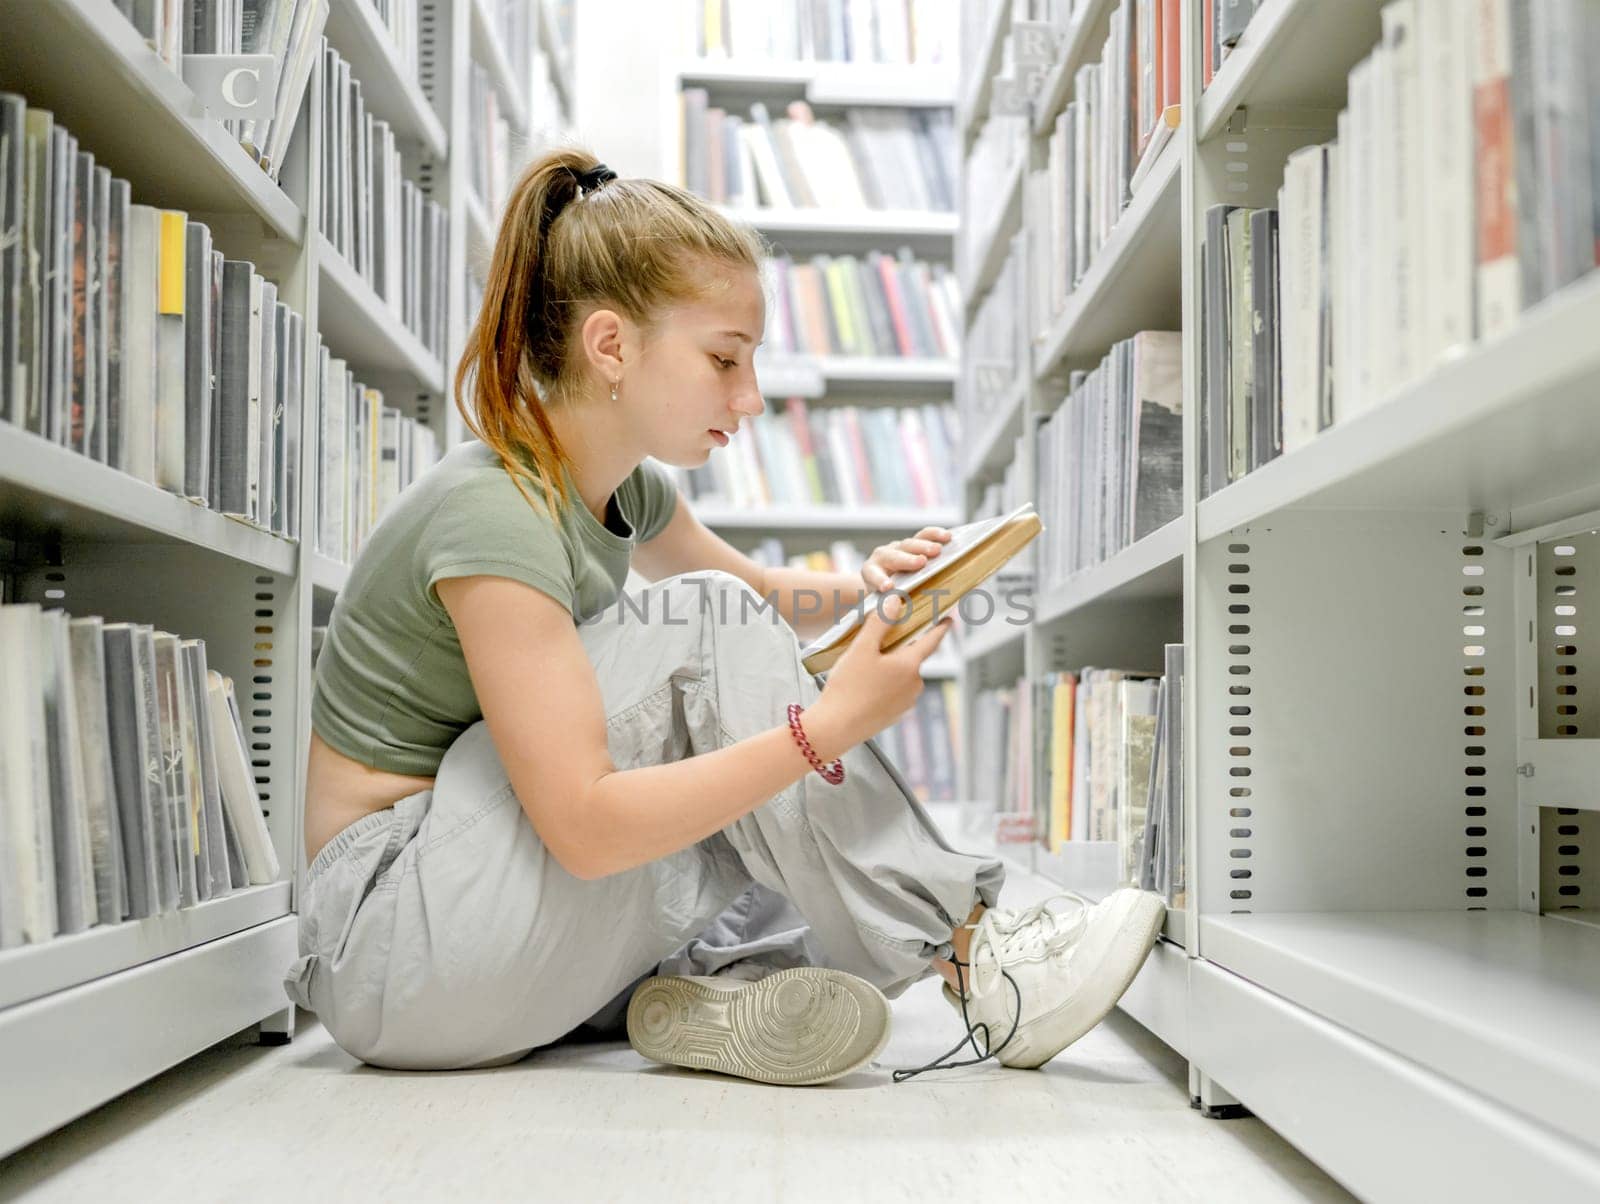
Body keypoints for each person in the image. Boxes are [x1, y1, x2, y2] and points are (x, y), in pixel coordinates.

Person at [282, 148, 1165, 1086]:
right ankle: (980, 964)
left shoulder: (626, 488)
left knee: (757, 804)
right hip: (390, 945)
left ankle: (702, 992)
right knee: (711, 652)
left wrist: (879, 589)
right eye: (724, 359)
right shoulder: (491, 511)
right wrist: (825, 728)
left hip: (495, 936)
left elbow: (768, 599)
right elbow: (584, 823)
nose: (748, 398)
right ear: (612, 346)